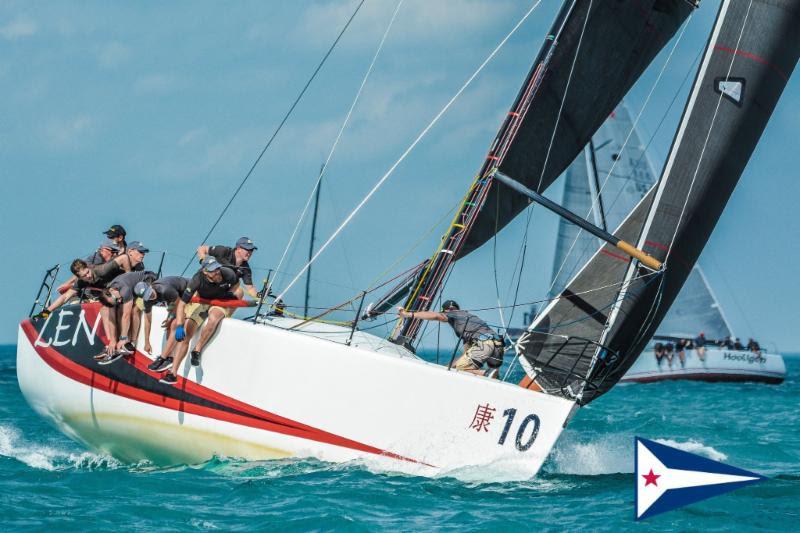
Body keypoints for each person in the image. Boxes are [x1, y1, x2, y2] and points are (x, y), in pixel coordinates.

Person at [159, 257, 239, 385]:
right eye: (213, 270)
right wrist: (179, 325)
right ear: (205, 272)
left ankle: (197, 349)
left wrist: (230, 294)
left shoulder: (227, 273)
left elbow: (237, 286)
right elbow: (181, 304)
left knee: (212, 319)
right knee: (185, 335)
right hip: (203, 302)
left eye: (217, 268)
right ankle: (173, 373)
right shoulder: (197, 280)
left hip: (219, 302)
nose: (217, 272)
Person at [397, 300, 504, 378]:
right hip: (497, 344)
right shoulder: (469, 318)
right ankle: (491, 377)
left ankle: (485, 374)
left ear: (446, 311)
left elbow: (435, 316)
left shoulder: (452, 314)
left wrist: (408, 314)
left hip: (484, 344)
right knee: (492, 371)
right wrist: (447, 367)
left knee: (461, 369)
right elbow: (466, 355)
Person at [95, 270, 158, 364]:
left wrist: (123, 338)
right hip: (134, 288)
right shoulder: (112, 292)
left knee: (134, 310)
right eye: (116, 301)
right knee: (112, 310)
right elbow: (111, 319)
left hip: (148, 281)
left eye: (117, 299)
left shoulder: (124, 289)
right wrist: (112, 341)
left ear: (112, 291)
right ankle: (116, 344)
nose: (118, 301)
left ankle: (130, 343)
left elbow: (126, 316)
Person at [133, 276, 189, 372]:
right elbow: (148, 321)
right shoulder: (147, 301)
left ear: (150, 286)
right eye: (148, 296)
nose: (151, 297)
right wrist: (147, 342)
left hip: (187, 291)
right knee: (168, 326)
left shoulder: (164, 290)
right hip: (175, 298)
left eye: (150, 293)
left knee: (174, 323)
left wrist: (170, 318)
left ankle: (163, 358)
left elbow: (179, 304)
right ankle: (170, 358)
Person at [56, 239, 120, 294]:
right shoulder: (96, 259)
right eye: (113, 251)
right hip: (94, 290)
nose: (114, 254)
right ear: (103, 249)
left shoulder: (116, 259)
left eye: (116, 252)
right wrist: (67, 283)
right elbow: (81, 270)